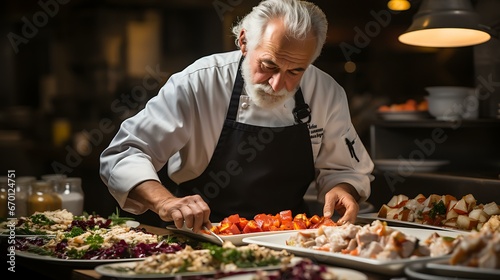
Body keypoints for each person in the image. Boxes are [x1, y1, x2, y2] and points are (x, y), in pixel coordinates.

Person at [100, 0, 374, 233]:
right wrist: (164, 202)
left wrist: (343, 188)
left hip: (290, 237)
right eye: (269, 66)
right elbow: (125, 153)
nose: (277, 85)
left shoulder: (325, 91)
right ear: (244, 41)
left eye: (295, 72)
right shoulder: (200, 81)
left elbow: (344, 168)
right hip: (204, 236)